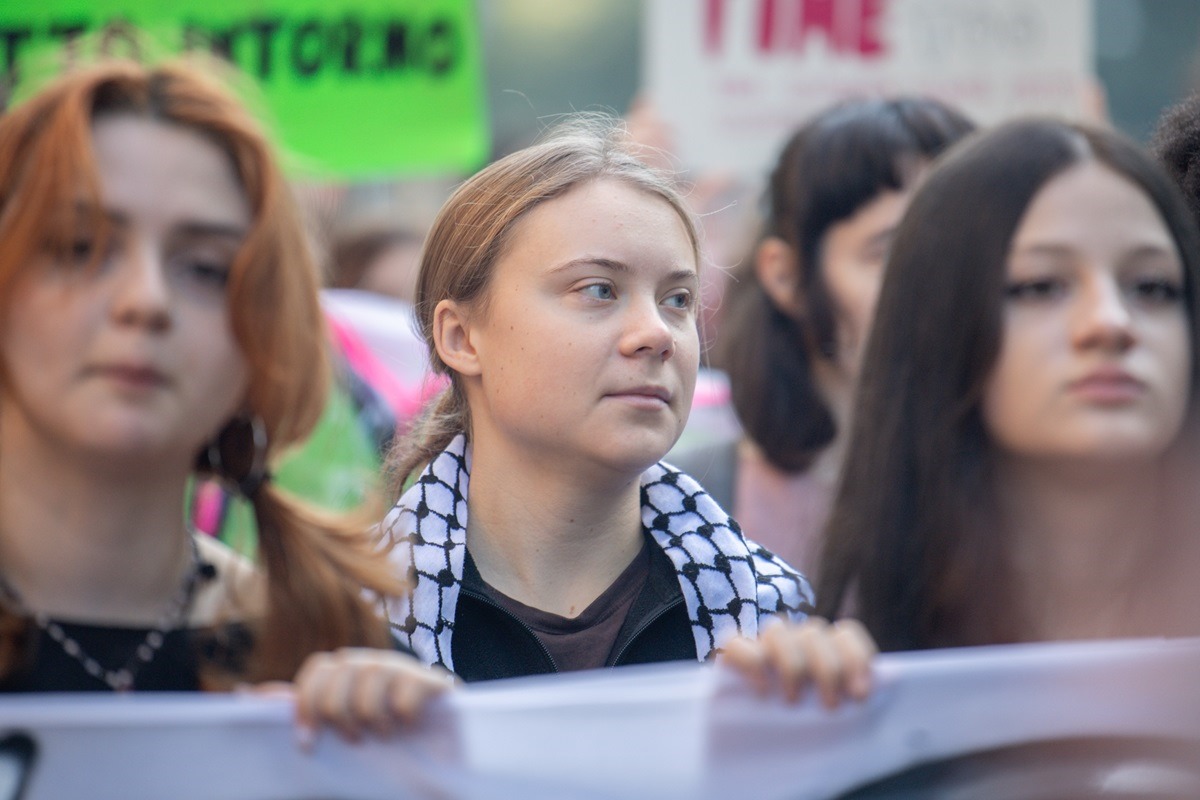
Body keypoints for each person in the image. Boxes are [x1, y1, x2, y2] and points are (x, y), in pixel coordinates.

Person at [347, 115, 878, 708]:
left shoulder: (777, 624)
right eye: (598, 289)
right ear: (462, 337)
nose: (657, 333)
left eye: (678, 300)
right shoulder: (340, 630)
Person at [0, 58, 447, 730]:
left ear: (262, 334)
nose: (146, 301)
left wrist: (398, 766)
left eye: (206, 269)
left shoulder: (330, 654)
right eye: (81, 246)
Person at [816, 118, 1200, 651]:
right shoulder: (839, 675)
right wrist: (799, 706)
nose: (1111, 322)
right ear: (941, 325)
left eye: (1153, 287)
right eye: (1041, 286)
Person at [671, 98, 974, 575]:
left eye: (970, 249)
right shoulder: (687, 510)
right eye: (895, 251)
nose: (945, 283)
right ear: (787, 276)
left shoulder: (1036, 495)